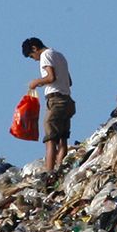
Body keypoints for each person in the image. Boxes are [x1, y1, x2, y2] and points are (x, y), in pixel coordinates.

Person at [21, 37, 73, 174]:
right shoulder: (59, 55)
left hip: (55, 101)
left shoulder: (45, 55)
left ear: (34, 48)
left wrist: (36, 82)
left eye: (32, 56)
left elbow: (51, 77)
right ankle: (60, 169)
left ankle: (49, 174)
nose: (35, 59)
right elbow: (69, 81)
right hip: (67, 101)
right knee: (62, 139)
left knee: (50, 140)